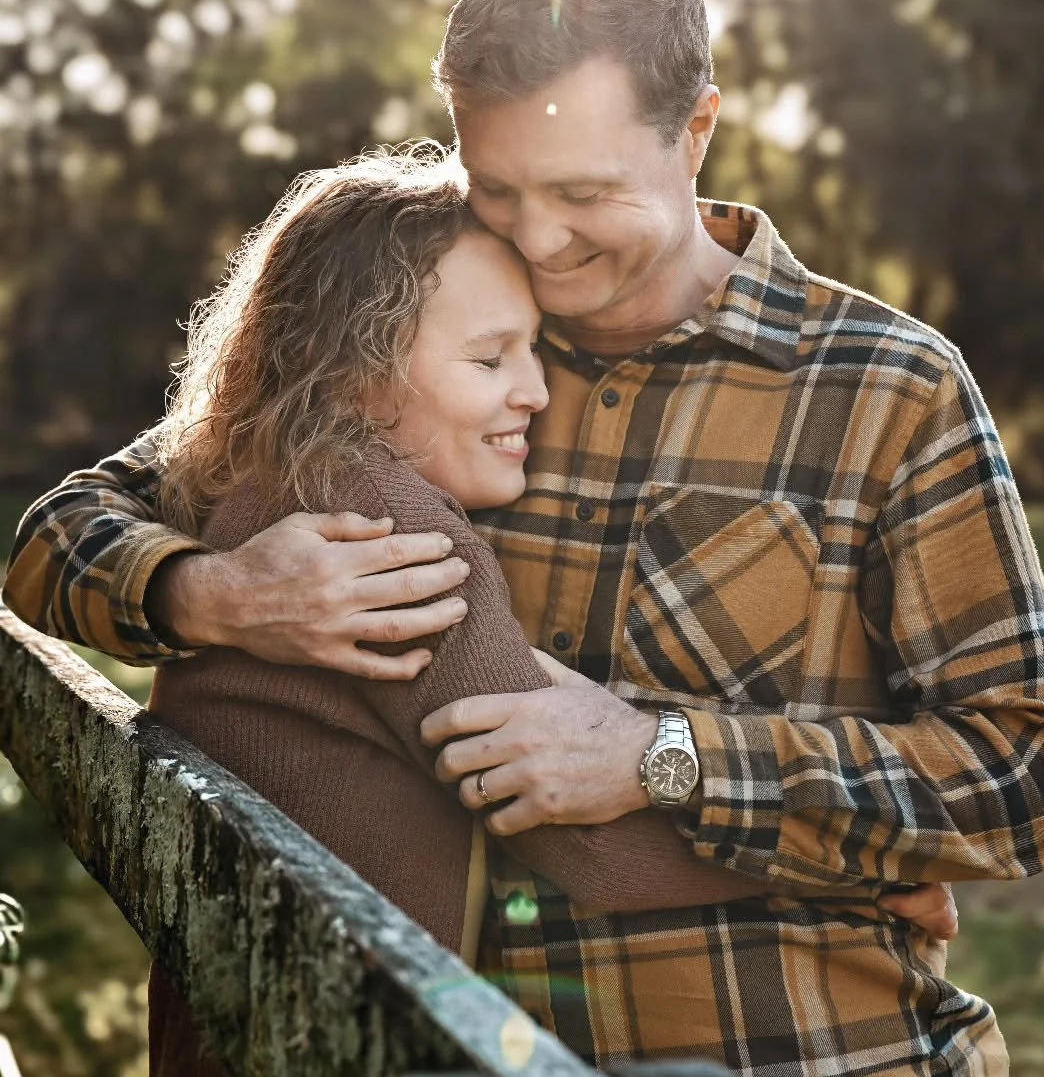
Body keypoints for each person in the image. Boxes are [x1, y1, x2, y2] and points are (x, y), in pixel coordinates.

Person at [7, 0, 1044, 1075]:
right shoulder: (426, 343)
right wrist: (217, 595)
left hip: (811, 1053)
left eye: (582, 191)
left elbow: (1025, 780)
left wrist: (668, 756)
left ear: (696, 132)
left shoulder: (889, 388)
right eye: (500, 187)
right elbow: (60, 536)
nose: (541, 238)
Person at [142, 150, 796, 1075]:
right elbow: (586, 846)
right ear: (357, 372)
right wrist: (850, 879)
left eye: (535, 350)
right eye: (490, 358)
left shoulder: (258, 486)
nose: (536, 391)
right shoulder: (387, 531)